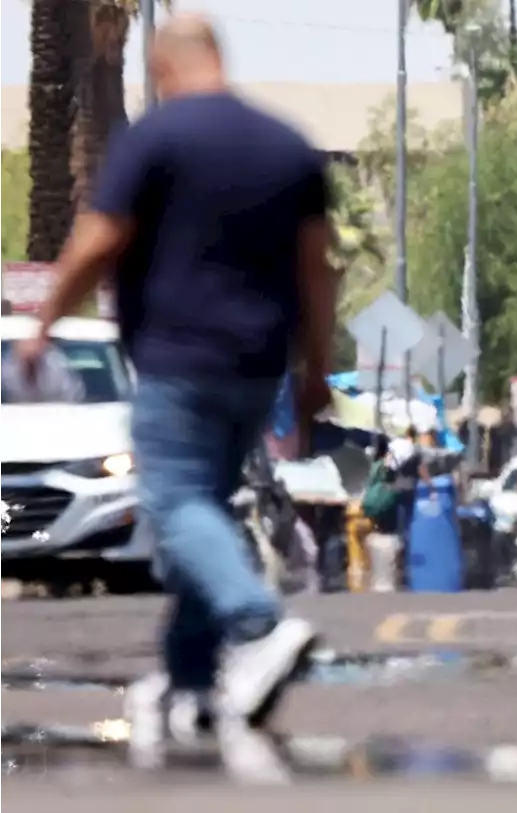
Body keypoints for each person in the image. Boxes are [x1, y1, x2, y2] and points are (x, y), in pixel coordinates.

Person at [16, 13, 333, 778]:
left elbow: (99, 238)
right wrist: (315, 367)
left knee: (174, 506)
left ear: (162, 70)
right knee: (204, 514)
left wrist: (45, 322)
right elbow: (318, 267)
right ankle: (190, 681)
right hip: (258, 366)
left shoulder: (157, 140)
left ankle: (257, 625)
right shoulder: (286, 144)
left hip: (177, 358)